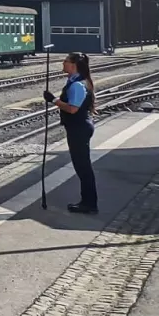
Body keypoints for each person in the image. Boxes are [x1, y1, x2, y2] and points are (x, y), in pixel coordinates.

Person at [44, 52, 98, 215]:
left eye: (66, 61)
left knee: (83, 167)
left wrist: (53, 100)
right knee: (82, 166)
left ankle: (89, 203)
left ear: (73, 64)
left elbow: (73, 108)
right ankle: (87, 201)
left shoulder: (77, 85)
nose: (63, 63)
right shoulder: (78, 81)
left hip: (79, 128)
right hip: (80, 127)